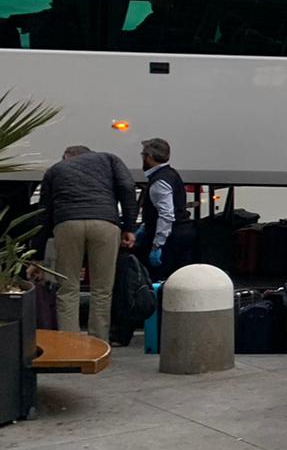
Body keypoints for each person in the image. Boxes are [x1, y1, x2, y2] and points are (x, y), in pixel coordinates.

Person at [34, 147, 138, 342]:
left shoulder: (55, 170)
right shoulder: (110, 158)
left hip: (67, 224)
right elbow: (127, 187)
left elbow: (43, 213)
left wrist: (37, 255)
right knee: (102, 289)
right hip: (105, 224)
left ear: (67, 157)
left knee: (68, 288)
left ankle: (69, 346)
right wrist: (129, 227)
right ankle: (98, 344)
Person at [136, 138, 193, 280]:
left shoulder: (159, 181)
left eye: (143, 155)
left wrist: (157, 245)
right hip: (182, 232)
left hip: (170, 239)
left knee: (162, 278)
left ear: (149, 157)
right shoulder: (172, 174)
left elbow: (166, 214)